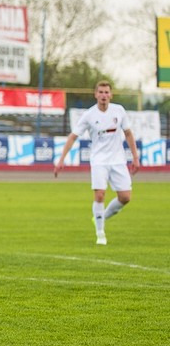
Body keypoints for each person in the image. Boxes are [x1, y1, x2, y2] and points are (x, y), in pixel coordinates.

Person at [54, 80, 141, 245]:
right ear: (95, 94)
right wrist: (61, 159)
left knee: (125, 197)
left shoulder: (119, 111)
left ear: (111, 95)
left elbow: (128, 134)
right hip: (99, 160)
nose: (104, 95)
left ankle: (100, 217)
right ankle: (100, 234)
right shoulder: (89, 115)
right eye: (100, 92)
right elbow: (73, 136)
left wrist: (135, 157)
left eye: (106, 92)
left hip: (118, 160)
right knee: (100, 194)